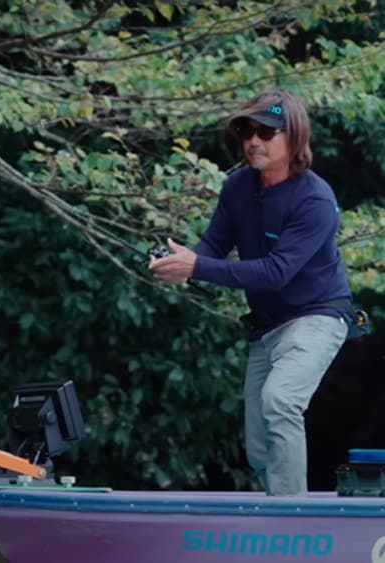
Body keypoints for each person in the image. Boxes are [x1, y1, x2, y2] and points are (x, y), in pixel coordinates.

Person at [148, 87, 351, 496]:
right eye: (246, 131)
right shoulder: (238, 186)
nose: (253, 141)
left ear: (294, 137)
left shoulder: (315, 199)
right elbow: (214, 247)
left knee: (280, 402)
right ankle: (275, 528)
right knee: (259, 446)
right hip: (266, 327)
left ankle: (295, 521)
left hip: (318, 316)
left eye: (266, 132)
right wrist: (183, 264)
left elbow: (276, 273)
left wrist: (199, 266)